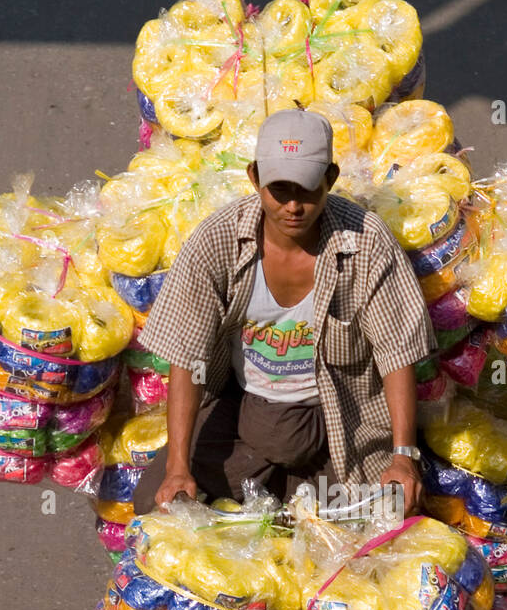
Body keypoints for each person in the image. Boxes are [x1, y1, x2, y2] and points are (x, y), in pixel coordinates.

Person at [133, 108, 437, 517]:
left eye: (307, 190)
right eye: (280, 190)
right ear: (255, 178)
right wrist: (177, 468)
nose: (293, 206)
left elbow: (396, 354)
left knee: (388, 517)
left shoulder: (366, 241)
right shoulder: (217, 241)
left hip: (342, 416)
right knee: (157, 504)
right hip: (245, 406)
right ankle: (282, 488)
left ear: (330, 179)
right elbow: (186, 357)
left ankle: (298, 490)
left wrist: (403, 456)